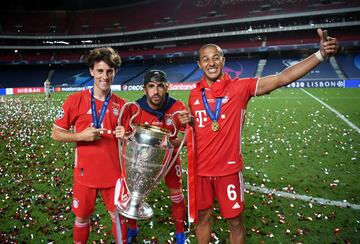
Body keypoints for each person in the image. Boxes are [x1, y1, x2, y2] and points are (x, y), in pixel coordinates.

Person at [187, 28, 339, 243]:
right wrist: (190, 123)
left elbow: (281, 78)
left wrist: (320, 55)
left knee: (236, 222)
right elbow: (197, 128)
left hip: (228, 170)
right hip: (200, 170)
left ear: (223, 60)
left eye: (215, 58)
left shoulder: (240, 87)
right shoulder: (194, 94)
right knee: (202, 217)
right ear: (199, 64)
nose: (211, 63)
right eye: (205, 59)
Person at [51, 47, 128, 243]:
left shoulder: (122, 105)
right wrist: (81, 136)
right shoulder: (75, 100)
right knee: (82, 218)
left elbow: (130, 141)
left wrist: (127, 134)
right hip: (85, 175)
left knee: (118, 218)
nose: (105, 76)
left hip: (114, 176)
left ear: (115, 73)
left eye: (109, 71)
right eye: (100, 71)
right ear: (91, 71)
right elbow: (56, 133)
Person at [124, 70, 190, 244]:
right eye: (151, 86)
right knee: (132, 193)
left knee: (177, 195)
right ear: (145, 89)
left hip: (169, 159)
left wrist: (163, 145)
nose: (156, 91)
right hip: (142, 160)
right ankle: (132, 227)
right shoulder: (134, 108)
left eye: (160, 86)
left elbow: (185, 140)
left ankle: (180, 233)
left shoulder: (178, 108)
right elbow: (128, 140)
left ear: (166, 87)